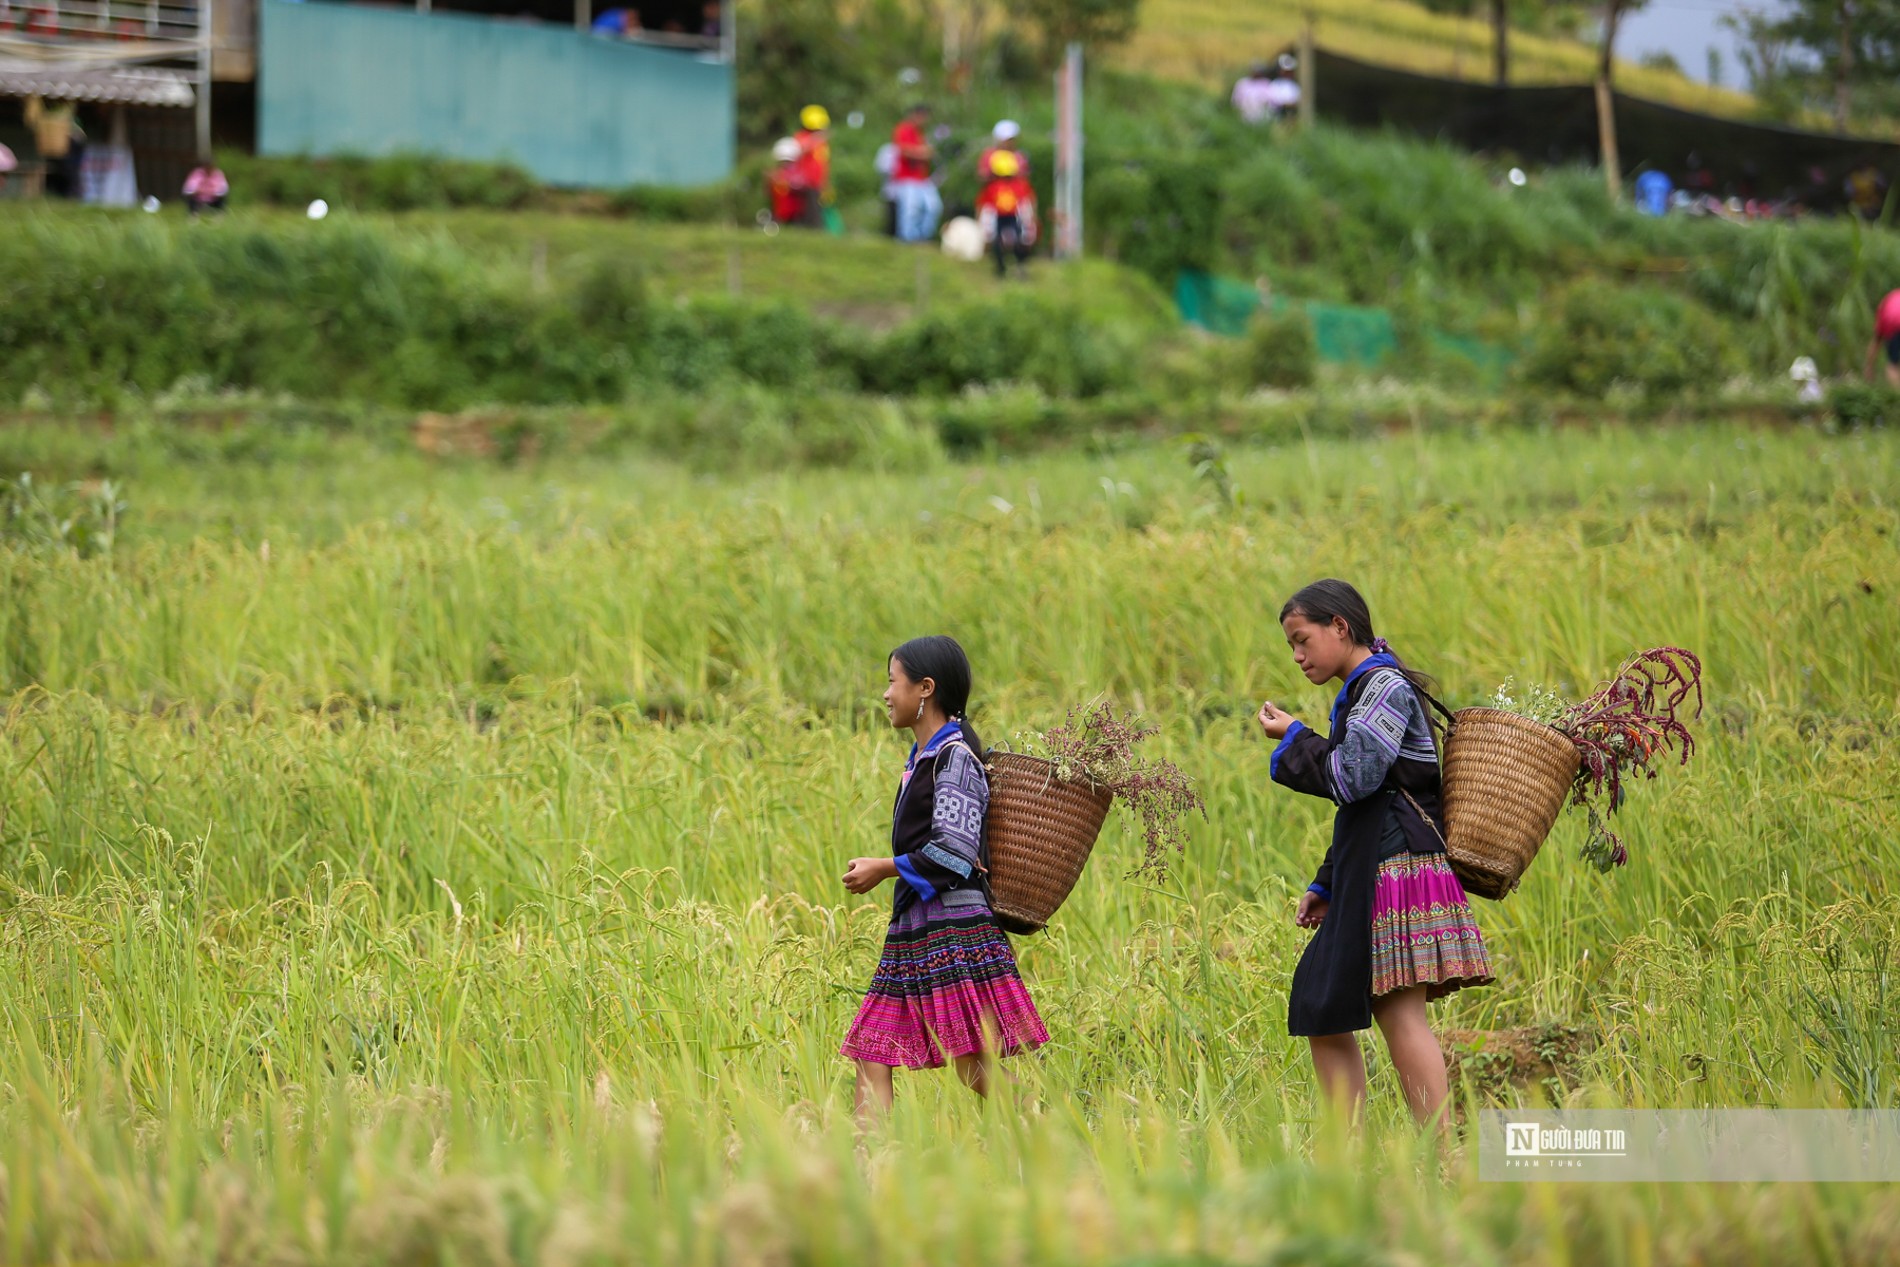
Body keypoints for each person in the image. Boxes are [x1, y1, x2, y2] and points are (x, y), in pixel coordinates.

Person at [1255, 579, 1492, 1136]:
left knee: (1394, 1012)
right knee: (1325, 1004)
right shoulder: (1369, 688)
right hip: (1374, 864)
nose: (1297, 656)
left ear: (1340, 627)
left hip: (1398, 868)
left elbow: (1353, 778)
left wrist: (1295, 736)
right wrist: (1328, 882)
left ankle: (1437, 1154)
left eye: (1302, 639)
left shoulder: (1383, 687)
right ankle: (1359, 1157)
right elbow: (1364, 802)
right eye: (1291, 645)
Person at [840, 636, 1048, 1124]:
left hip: (951, 928)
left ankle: (1049, 1134)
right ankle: (868, 1170)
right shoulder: (925, 758)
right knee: (875, 1049)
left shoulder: (954, 758)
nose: (887, 694)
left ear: (925, 689)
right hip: (917, 926)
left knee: (972, 1064)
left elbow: (954, 853)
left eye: (894, 682)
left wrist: (883, 867)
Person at [976, 149, 1036, 279]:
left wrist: (1029, 223)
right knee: (999, 243)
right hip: (999, 218)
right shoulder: (992, 187)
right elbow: (985, 206)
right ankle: (1002, 268)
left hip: (1014, 218)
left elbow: (1026, 204)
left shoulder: (1020, 185)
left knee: (1020, 242)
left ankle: (1018, 266)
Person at [890, 103, 942, 243]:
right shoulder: (904, 129)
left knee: (933, 207)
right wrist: (924, 152)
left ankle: (923, 237)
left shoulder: (921, 133)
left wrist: (924, 152)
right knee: (909, 211)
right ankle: (907, 239)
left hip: (922, 179)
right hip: (906, 178)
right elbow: (905, 151)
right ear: (916, 115)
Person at [794, 104, 832, 230]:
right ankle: (811, 230)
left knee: (817, 210)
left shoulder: (822, 142)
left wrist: (826, 183)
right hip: (805, 181)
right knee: (808, 211)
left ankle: (816, 230)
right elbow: (799, 150)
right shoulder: (802, 136)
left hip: (818, 182)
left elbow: (824, 162)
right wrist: (817, 138)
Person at [765, 136, 810, 228]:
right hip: (780, 212)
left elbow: (801, 187)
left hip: (796, 214)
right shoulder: (776, 173)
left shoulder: (797, 173)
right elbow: (768, 193)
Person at [1862, 287, 1900, 387]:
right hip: (1894, 323)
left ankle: (1897, 396)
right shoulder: (1893, 299)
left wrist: (1869, 367)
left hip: (1893, 325)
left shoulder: (1887, 302)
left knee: (1892, 365)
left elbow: (1876, 342)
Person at [976, 119, 1028, 183]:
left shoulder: (1019, 156)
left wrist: (1013, 172)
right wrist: (994, 172)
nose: (1008, 143)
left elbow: (1024, 176)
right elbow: (981, 176)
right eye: (1006, 140)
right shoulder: (989, 155)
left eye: (1010, 140)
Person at [1265, 54, 1302, 119]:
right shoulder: (1275, 84)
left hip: (1290, 114)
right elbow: (1272, 100)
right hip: (1276, 114)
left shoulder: (1294, 86)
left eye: (1289, 71)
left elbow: (1297, 100)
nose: (1287, 73)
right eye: (1285, 71)